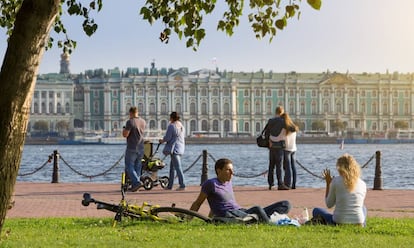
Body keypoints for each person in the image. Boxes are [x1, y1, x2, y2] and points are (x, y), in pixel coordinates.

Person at [190, 158, 292, 223]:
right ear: (218, 171)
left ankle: (262, 219)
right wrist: (187, 219)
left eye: (232, 170)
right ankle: (268, 225)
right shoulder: (210, 183)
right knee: (257, 209)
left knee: (285, 204)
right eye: (228, 170)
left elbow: (217, 202)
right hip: (230, 214)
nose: (232, 173)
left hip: (241, 212)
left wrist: (211, 218)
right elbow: (198, 203)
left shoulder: (228, 182)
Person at [311, 154, 367, 226]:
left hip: (339, 221)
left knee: (316, 210)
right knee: (363, 208)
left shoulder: (336, 181)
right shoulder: (362, 183)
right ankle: (362, 224)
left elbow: (329, 204)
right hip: (358, 221)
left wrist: (328, 184)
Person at [159, 111, 186, 190]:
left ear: (171, 118)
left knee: (178, 167)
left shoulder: (171, 126)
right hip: (181, 147)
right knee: (172, 168)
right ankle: (170, 185)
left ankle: (182, 185)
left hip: (174, 149)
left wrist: (162, 140)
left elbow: (167, 138)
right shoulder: (181, 126)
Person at [264, 106, 289, 190]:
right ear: (282, 112)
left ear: (275, 112)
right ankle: (280, 184)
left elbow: (266, 133)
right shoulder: (283, 121)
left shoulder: (270, 121)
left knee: (271, 166)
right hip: (280, 146)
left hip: (271, 146)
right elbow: (289, 130)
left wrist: (269, 142)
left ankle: (270, 184)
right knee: (279, 166)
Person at [122, 106, 146, 192]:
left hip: (132, 147)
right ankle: (136, 186)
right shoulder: (143, 121)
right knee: (138, 167)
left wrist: (124, 128)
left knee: (129, 166)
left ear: (130, 113)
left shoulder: (130, 122)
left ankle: (136, 182)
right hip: (141, 147)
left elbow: (125, 134)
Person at [281, 112, 298, 189]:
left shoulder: (284, 128)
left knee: (287, 167)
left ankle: (287, 184)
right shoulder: (294, 128)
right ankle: (294, 184)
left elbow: (281, 138)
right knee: (293, 167)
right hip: (293, 149)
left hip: (286, 149)